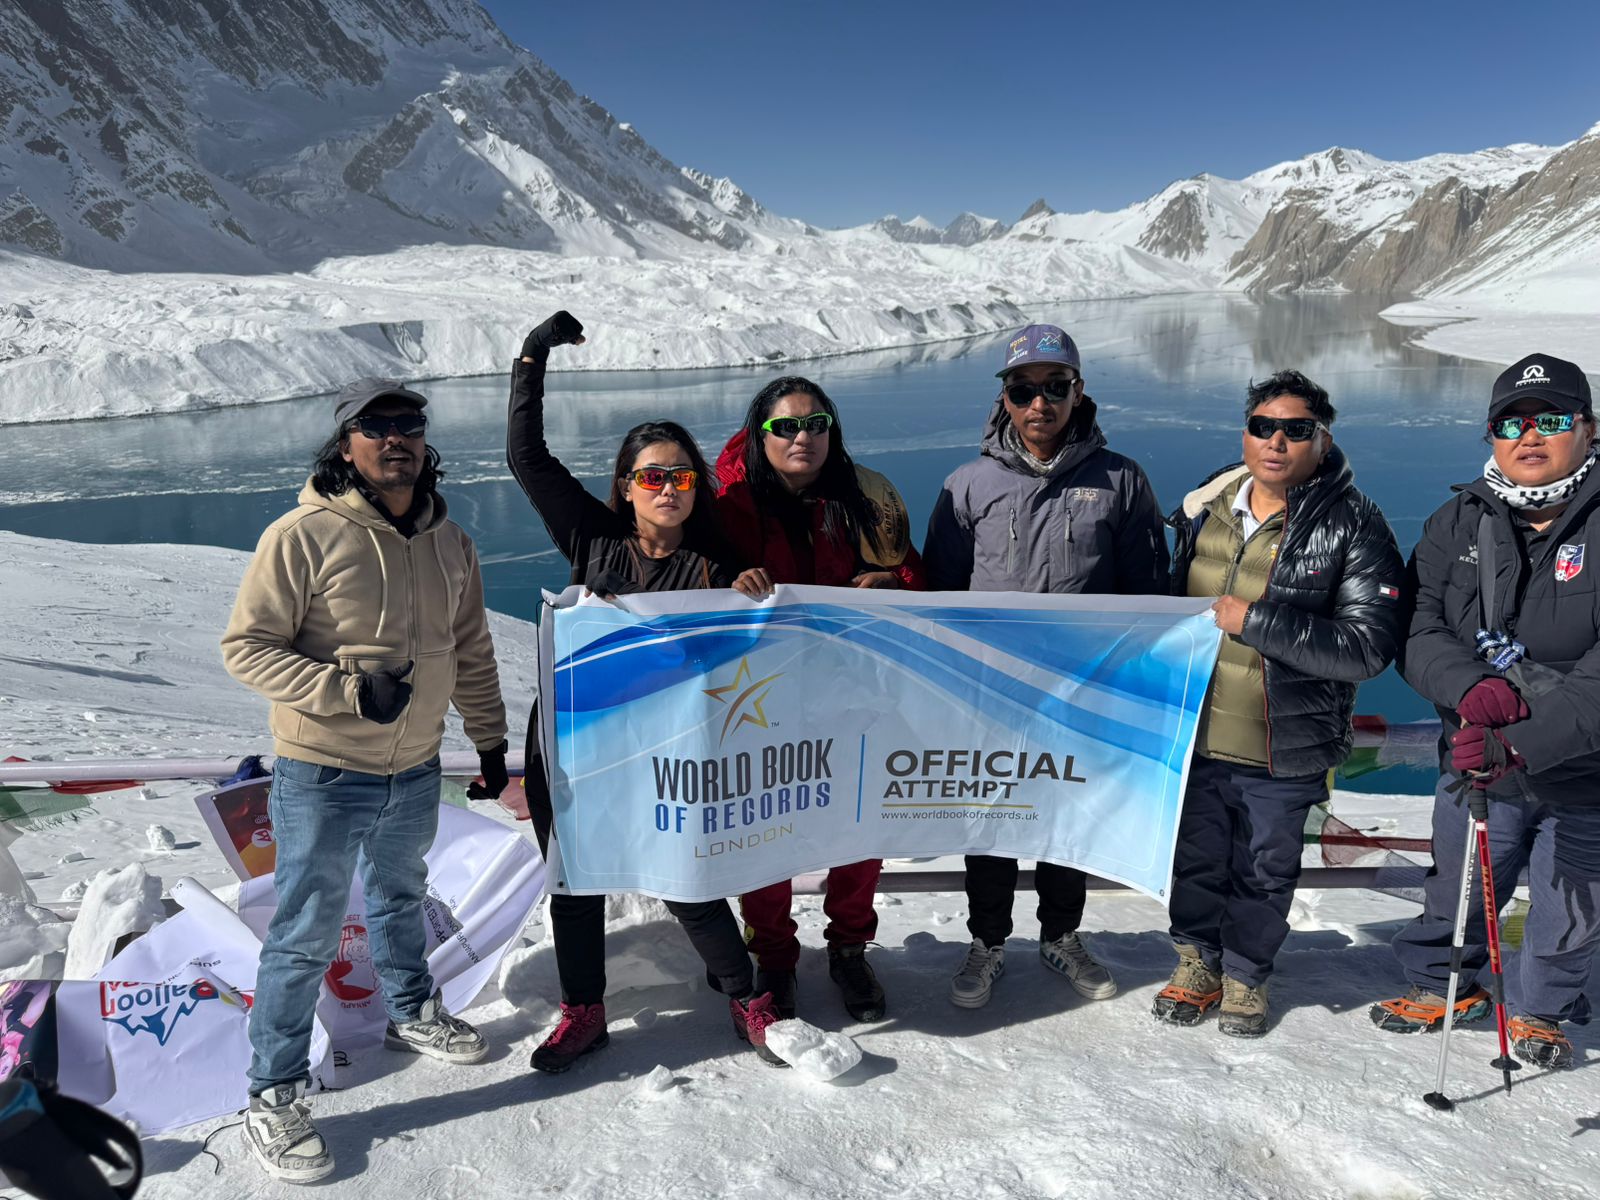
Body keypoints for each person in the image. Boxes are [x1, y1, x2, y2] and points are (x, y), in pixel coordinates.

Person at [222, 379, 510, 1183]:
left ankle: (411, 1011)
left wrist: (488, 741)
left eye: (408, 424)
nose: (396, 438)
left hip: (415, 767)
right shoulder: (302, 534)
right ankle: (273, 1094)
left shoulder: (449, 539)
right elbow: (246, 647)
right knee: (306, 930)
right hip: (323, 772)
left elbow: (472, 648)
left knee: (399, 895)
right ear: (344, 444)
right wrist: (346, 693)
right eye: (375, 426)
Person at [507, 311, 786, 1070]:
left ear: (697, 486)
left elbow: (753, 649)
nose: (668, 487)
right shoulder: (592, 539)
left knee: (683, 867)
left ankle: (744, 997)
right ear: (627, 487)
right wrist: (534, 354)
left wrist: (751, 593)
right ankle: (583, 1010)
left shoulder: (714, 571)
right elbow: (526, 457)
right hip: (572, 738)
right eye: (652, 476)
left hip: (661, 745)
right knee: (576, 875)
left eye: (681, 476)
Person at [924, 323, 1169, 1008]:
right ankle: (988, 940)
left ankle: (1060, 935)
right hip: (989, 692)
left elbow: (1149, 590)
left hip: (1082, 692)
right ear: (1004, 397)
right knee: (991, 815)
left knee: (1069, 817)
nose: (1039, 404)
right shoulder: (967, 485)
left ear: (1078, 391)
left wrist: (1132, 679)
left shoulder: (1120, 480)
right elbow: (938, 595)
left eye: (1054, 388)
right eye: (1023, 389)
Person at [1372, 353, 1600, 1069]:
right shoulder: (1458, 519)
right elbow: (1416, 626)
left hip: (1585, 766)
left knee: (1574, 903)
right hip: (1478, 752)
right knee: (1462, 878)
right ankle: (1445, 986)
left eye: (1552, 420)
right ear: (1492, 436)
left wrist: (1527, 738)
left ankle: (1541, 1009)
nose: (1529, 436)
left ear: (1589, 430)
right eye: (1511, 422)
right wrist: (1468, 687)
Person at [1159, 369, 1403, 1036]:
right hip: (1194, 736)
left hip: (1282, 744)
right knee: (1194, 856)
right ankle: (1196, 961)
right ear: (1245, 434)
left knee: (1265, 868)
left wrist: (1257, 622)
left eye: (1296, 430)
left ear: (1321, 441)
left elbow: (1367, 647)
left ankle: (1245, 976)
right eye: (1263, 426)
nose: (1276, 441)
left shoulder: (1355, 524)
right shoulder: (1201, 509)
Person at [715, 375, 924, 1023]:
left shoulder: (862, 498)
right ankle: (774, 956)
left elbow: (913, 576)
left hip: (851, 693)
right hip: (760, 698)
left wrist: (895, 581)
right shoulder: (728, 502)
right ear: (758, 433)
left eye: (815, 424)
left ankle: (849, 949)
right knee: (764, 827)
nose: (801, 437)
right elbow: (688, 576)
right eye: (784, 427)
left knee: (860, 827)